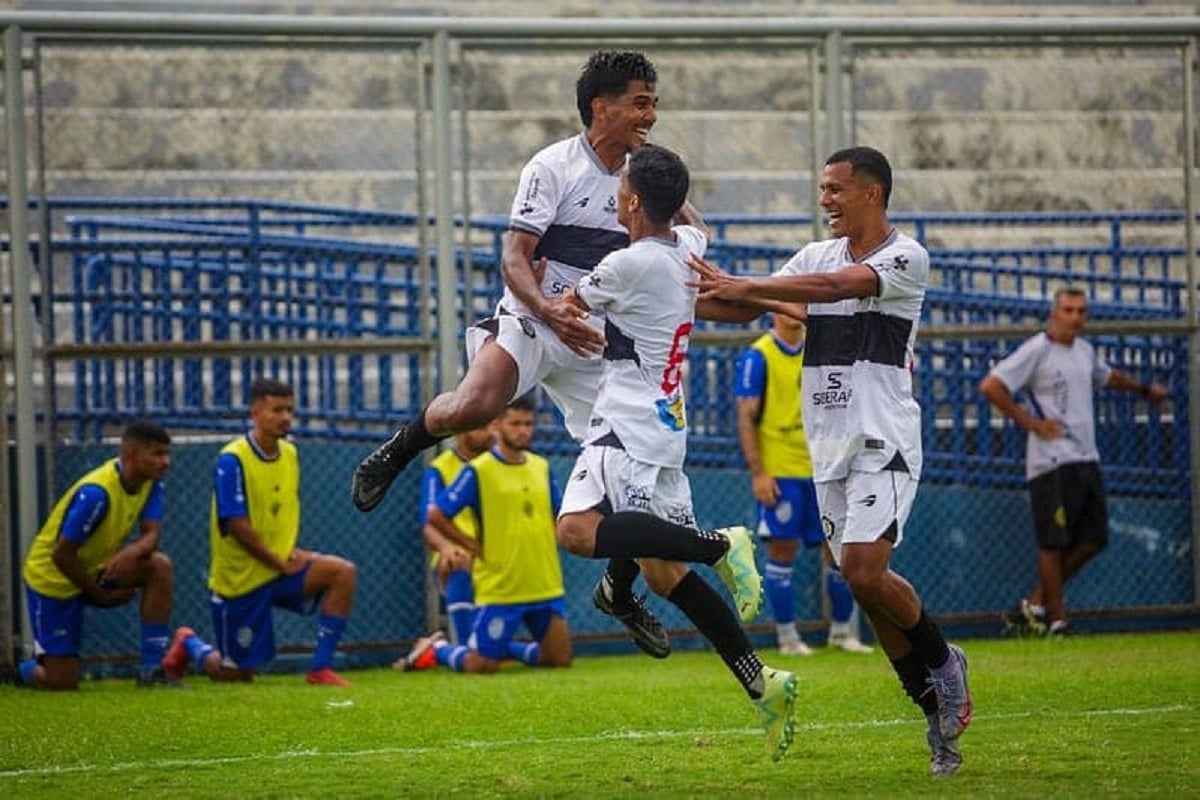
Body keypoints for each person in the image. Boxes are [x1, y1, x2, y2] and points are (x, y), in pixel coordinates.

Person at [351, 49, 705, 660]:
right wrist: (546, 310)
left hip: (598, 338)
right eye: (640, 103)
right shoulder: (552, 166)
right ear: (603, 106)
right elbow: (515, 257)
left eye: (653, 103)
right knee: (477, 402)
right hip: (542, 316)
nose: (651, 115)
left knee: (628, 473)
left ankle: (620, 592)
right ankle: (397, 449)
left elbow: (688, 241)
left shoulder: (644, 176)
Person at [689, 146, 973, 777]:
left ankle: (947, 662)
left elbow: (832, 288)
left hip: (883, 439)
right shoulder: (814, 256)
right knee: (861, 585)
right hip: (829, 444)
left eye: (834, 190)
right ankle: (931, 708)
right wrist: (669, 295)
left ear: (871, 193)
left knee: (866, 573)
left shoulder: (905, 256)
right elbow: (755, 302)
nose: (824, 200)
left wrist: (749, 286)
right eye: (822, 190)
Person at [553, 143, 799, 762]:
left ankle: (720, 543)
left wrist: (546, 304)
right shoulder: (684, 250)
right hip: (663, 425)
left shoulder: (624, 264)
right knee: (664, 572)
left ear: (632, 201)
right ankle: (760, 682)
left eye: (622, 187)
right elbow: (698, 226)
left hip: (626, 426)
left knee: (577, 532)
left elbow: (566, 306)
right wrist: (666, 181)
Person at [979, 287, 1168, 637]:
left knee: (1094, 539)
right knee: (1053, 541)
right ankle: (1057, 621)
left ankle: (1035, 603)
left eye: (1081, 311)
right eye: (1068, 310)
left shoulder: (1084, 351)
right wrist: (1032, 423)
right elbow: (992, 386)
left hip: (1085, 454)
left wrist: (1143, 390)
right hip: (1051, 461)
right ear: (1054, 313)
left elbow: (1107, 376)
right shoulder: (1038, 349)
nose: (1075, 317)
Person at [160, 378, 358, 687]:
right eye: (276, 409)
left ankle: (321, 668)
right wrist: (279, 562)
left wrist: (291, 552)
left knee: (342, 573)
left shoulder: (290, 454)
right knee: (237, 675)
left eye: (290, 410)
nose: (285, 417)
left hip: (279, 567)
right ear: (255, 412)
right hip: (242, 578)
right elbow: (237, 527)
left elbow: (280, 511)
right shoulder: (232, 459)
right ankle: (190, 644)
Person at [401, 395, 572, 675]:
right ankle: (439, 649)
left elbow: (558, 514)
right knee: (482, 665)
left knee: (559, 659)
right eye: (515, 423)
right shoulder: (478, 470)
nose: (522, 431)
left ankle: (500, 647)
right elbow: (434, 516)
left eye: (528, 424)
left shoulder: (541, 466)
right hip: (502, 586)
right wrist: (472, 546)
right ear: (498, 425)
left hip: (545, 583)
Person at [734, 313, 873, 656]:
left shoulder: (820, 351)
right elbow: (746, 418)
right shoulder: (759, 355)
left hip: (823, 468)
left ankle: (842, 632)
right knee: (783, 551)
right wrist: (759, 473)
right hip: (781, 470)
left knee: (837, 551)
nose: (794, 309)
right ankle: (787, 638)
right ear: (772, 311)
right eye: (786, 301)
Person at [18, 420, 176, 689]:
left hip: (93, 569)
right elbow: (62, 555)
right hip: (53, 581)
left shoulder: (151, 483)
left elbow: (151, 535)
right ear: (130, 456)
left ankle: (152, 669)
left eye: (166, 453)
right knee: (62, 683)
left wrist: (131, 552)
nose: (166, 461)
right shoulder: (97, 493)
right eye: (157, 454)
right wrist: (98, 594)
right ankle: (25, 668)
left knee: (159, 566)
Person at [419, 424, 495, 645]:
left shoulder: (499, 464)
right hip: (463, 553)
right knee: (456, 559)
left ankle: (437, 648)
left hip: (498, 551)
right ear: (461, 431)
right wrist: (446, 548)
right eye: (482, 427)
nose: (489, 432)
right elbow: (428, 524)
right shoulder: (440, 469)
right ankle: (464, 647)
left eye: (492, 425)